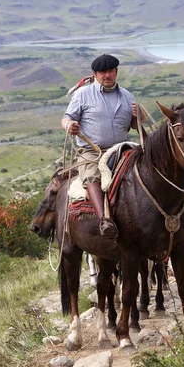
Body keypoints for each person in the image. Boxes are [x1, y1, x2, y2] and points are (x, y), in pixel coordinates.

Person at [61, 54, 140, 240]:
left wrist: (139, 117)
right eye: (103, 72)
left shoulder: (128, 96)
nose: (107, 75)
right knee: (91, 174)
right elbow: (66, 117)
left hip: (122, 149)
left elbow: (136, 125)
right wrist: (69, 126)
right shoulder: (82, 94)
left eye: (111, 71)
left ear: (116, 72)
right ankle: (105, 219)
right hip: (92, 151)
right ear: (95, 74)